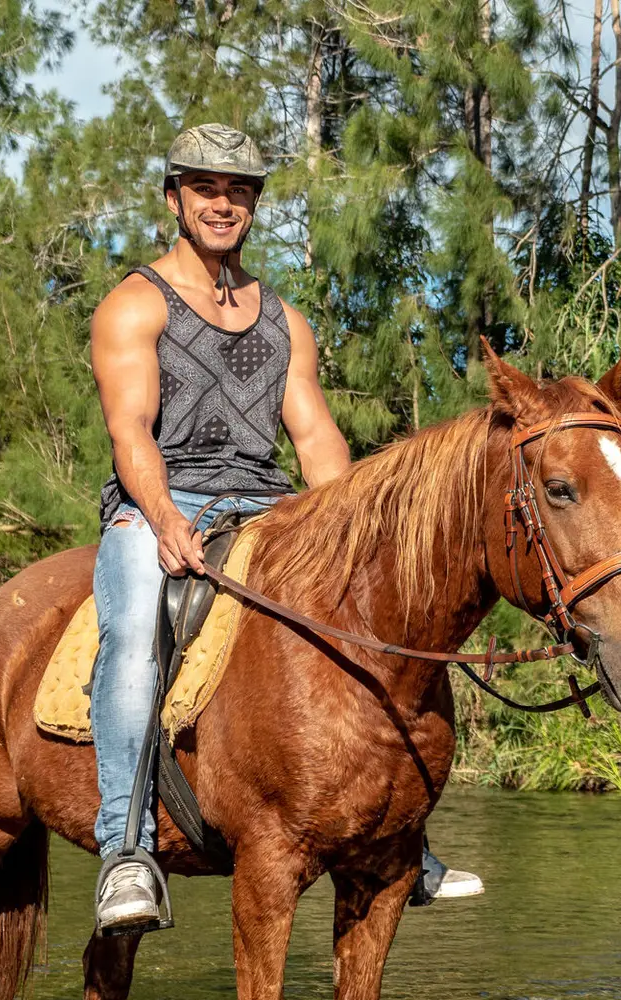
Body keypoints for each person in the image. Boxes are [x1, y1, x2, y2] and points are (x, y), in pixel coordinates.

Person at [89, 123, 480, 934]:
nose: (221, 203)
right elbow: (131, 431)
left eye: (237, 191)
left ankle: (406, 834)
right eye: (204, 188)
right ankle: (124, 851)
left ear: (253, 207)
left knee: (369, 630)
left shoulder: (285, 322)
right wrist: (161, 520)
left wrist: (355, 537)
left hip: (269, 508)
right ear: (174, 199)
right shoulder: (134, 303)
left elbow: (316, 440)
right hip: (165, 499)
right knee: (133, 633)